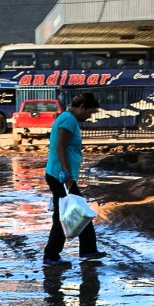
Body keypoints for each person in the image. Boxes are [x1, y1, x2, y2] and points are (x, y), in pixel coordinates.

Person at [43, 92, 106, 268]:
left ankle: (88, 250)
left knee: (78, 211)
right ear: (82, 106)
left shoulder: (67, 118)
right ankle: (51, 256)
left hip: (61, 175)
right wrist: (67, 174)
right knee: (66, 215)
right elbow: (60, 146)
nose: (89, 116)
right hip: (60, 175)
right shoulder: (69, 119)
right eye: (90, 112)